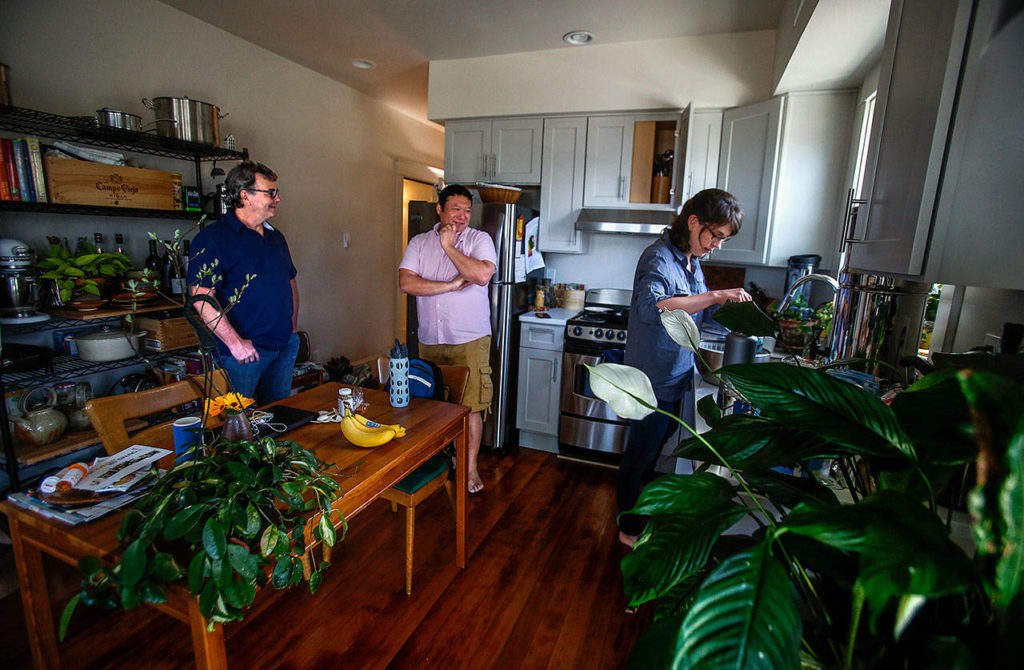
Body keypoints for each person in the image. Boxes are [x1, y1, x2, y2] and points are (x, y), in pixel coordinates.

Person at [617, 188, 751, 548]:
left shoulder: (690, 261)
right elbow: (653, 308)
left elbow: (701, 311)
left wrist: (735, 315)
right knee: (640, 457)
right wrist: (716, 295)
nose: (718, 245)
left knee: (652, 453)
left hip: (675, 374)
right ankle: (628, 529)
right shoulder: (658, 258)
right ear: (694, 222)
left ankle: (642, 517)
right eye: (717, 236)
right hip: (652, 378)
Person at [399, 184, 496, 493]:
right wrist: (453, 285)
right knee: (431, 407)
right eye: (455, 209)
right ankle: (436, 462)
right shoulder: (418, 242)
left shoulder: (480, 240)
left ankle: (469, 469)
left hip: (469, 338)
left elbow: (481, 275)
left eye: (467, 210)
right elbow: (407, 283)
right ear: (439, 209)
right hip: (430, 337)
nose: (462, 216)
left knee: (471, 407)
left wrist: (450, 247)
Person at [188, 160, 300, 406]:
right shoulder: (213, 238)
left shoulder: (275, 237)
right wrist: (235, 343)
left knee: (277, 419)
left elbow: (289, 281)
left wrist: (291, 328)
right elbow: (201, 296)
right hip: (243, 355)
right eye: (270, 192)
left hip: (283, 345)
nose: (277, 198)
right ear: (245, 196)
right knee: (238, 427)